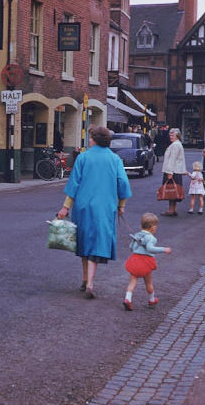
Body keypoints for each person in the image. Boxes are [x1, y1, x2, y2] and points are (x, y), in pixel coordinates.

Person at [57, 125, 132, 299]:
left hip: (83, 206)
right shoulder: (115, 160)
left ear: (95, 139)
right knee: (96, 244)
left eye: (90, 137)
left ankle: (85, 280)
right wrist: (121, 205)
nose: (89, 140)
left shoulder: (83, 158)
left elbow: (74, 184)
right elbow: (123, 184)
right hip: (105, 208)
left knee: (85, 241)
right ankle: (89, 282)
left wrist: (65, 208)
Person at [122, 212, 171, 311]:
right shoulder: (151, 238)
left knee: (132, 282)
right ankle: (152, 299)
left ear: (141, 225)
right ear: (152, 228)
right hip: (145, 262)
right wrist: (163, 249)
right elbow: (150, 249)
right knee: (148, 283)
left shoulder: (137, 235)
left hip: (135, 260)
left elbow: (131, 247)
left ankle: (127, 298)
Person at [160, 128, 187, 216]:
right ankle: (173, 209)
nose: (170, 137)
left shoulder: (175, 145)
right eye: (170, 135)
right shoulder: (177, 144)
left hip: (173, 171)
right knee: (174, 191)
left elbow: (172, 159)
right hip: (176, 171)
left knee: (171, 191)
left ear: (177, 136)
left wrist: (169, 172)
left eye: (172, 135)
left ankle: (171, 210)